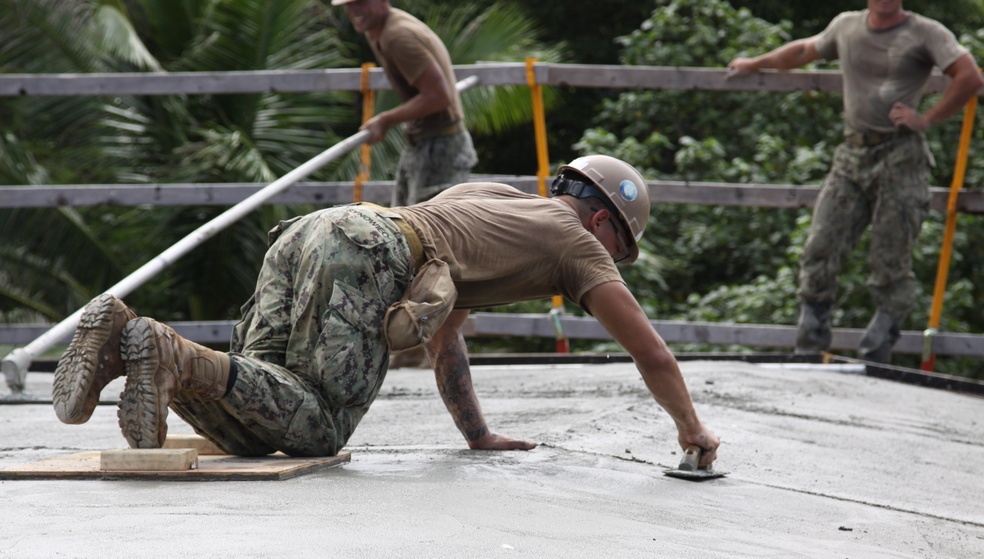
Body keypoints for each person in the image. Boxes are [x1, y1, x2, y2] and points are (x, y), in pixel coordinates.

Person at [51, 155, 721, 468]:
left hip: (315, 228)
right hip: (367, 253)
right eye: (620, 247)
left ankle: (133, 339)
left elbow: (446, 336)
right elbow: (652, 352)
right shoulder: (580, 246)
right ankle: (166, 349)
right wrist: (691, 429)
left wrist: (477, 434)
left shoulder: (486, 196)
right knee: (319, 428)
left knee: (253, 428)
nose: (612, 260)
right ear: (604, 220)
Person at [727, 0, 984, 363]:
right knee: (821, 243)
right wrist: (755, 63)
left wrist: (925, 118)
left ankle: (878, 349)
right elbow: (803, 50)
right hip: (852, 153)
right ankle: (810, 343)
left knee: (890, 257)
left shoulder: (925, 32)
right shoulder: (847, 26)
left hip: (901, 156)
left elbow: (970, 76)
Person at [334, 0, 477, 207]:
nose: (353, 10)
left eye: (361, 2)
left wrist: (385, 120)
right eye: (348, 4)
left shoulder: (398, 36)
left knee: (429, 230)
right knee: (402, 220)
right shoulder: (376, 30)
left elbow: (438, 97)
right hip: (421, 141)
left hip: (440, 146)